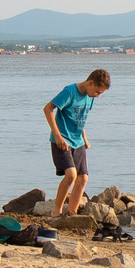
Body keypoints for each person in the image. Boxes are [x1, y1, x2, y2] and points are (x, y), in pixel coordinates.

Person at [43, 68, 111, 217]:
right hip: (62, 140)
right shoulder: (70, 92)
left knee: (83, 178)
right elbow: (48, 109)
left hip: (78, 140)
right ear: (91, 83)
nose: (98, 96)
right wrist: (58, 135)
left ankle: (71, 213)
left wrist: (84, 138)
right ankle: (57, 211)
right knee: (71, 175)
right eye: (98, 92)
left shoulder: (90, 96)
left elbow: (80, 118)